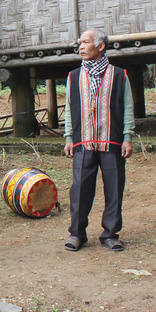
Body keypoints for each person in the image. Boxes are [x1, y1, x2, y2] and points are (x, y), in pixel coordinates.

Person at [63, 29, 135, 252]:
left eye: (85, 42)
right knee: (80, 188)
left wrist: (127, 137)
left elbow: (128, 108)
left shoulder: (119, 74)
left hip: (111, 141)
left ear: (100, 46)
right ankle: (77, 234)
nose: (81, 47)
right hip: (83, 141)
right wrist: (68, 137)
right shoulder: (73, 76)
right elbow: (68, 108)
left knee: (114, 188)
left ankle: (110, 234)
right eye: (80, 43)